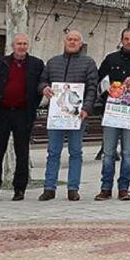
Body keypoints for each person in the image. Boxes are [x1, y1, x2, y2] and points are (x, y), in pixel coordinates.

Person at [0, 33, 44, 202]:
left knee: (22, 153)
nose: (21, 47)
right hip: (2, 113)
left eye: (24, 43)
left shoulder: (37, 64)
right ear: (12, 45)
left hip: (23, 113)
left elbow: (39, 86)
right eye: (18, 43)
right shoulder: (0, 63)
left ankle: (19, 188)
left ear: (28, 45)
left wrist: (32, 104)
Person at [38, 30, 98, 201]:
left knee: (76, 152)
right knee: (53, 152)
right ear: (64, 42)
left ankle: (73, 188)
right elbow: (42, 80)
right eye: (69, 39)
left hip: (77, 116)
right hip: (56, 115)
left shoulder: (88, 63)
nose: (72, 42)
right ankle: (49, 187)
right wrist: (44, 88)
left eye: (76, 40)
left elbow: (92, 88)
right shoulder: (53, 62)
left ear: (81, 43)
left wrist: (86, 108)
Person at [95, 26, 130, 201]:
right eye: (126, 39)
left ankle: (124, 188)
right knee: (109, 153)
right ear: (121, 40)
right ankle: (105, 188)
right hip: (111, 113)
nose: (129, 42)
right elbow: (99, 80)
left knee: (127, 153)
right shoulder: (111, 59)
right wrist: (109, 92)